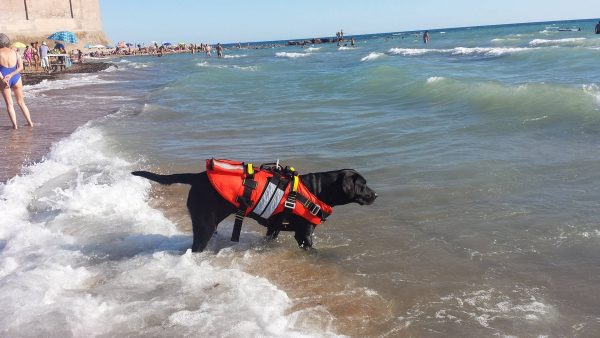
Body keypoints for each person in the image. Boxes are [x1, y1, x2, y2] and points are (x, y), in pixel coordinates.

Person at [0, 33, 33, 129]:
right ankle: (30, 123)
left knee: (9, 104)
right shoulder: (15, 52)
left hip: (4, 79)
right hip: (16, 78)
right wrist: (12, 74)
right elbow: (21, 67)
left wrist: (3, 79)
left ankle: (15, 126)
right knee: (21, 102)